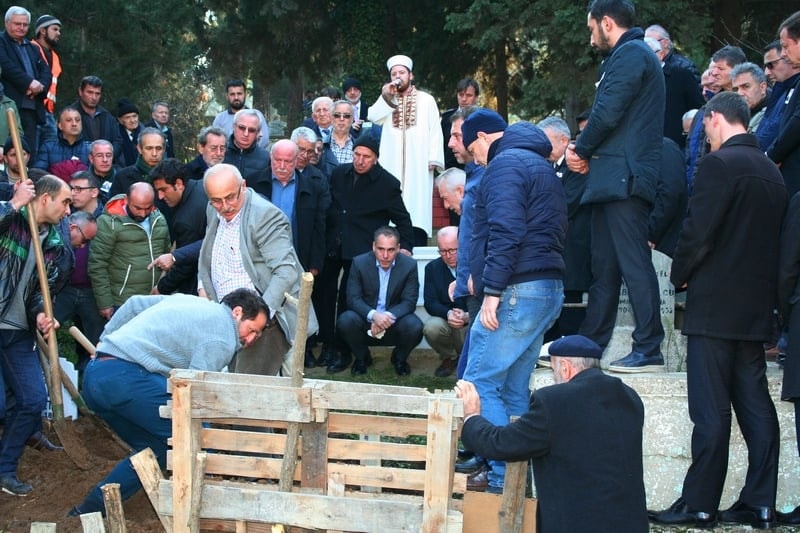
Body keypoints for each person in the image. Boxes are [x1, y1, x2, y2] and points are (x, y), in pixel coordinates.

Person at [650, 91, 786, 530]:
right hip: (754, 308)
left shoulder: (719, 164)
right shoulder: (771, 171)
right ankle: (759, 503)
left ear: (714, 119)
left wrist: (680, 274)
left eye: (705, 127)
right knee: (754, 404)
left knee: (709, 408)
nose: (704, 135)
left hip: (714, 304)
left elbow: (698, 229)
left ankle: (700, 504)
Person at [66, 288, 270, 516]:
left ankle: (88, 511)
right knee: (196, 435)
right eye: (251, 329)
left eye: (257, 335)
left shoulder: (189, 302)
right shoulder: (223, 336)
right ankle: (223, 508)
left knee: (157, 449)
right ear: (237, 312)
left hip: (97, 377)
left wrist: (104, 342)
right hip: (126, 380)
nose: (250, 339)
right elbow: (194, 395)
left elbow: (134, 304)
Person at [461, 109, 567, 493]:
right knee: (513, 389)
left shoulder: (504, 165)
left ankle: (503, 479)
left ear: (487, 137)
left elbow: (506, 232)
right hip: (547, 287)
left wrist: (492, 293)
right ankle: (517, 480)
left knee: (477, 383)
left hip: (517, 289)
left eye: (472, 148)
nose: (474, 158)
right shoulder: (542, 166)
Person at [456, 335, 648, 532]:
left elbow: (501, 444)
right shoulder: (629, 397)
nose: (555, 376)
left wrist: (472, 415)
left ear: (565, 367)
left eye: (554, 370)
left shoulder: (553, 401)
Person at [566, 0, 666, 372]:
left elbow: (607, 112)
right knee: (604, 267)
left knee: (633, 263)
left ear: (606, 23)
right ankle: (592, 343)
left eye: (592, 29)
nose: (592, 39)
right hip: (611, 180)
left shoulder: (631, 55)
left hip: (624, 180)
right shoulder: (629, 56)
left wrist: (581, 148)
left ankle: (649, 347)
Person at [198, 163, 316, 376]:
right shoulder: (212, 209)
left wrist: (261, 318)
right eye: (217, 200)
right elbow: (211, 251)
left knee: (247, 385)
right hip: (225, 313)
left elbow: (286, 272)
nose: (225, 206)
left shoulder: (265, 216)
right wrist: (202, 285)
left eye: (231, 197)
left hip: (266, 317)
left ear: (243, 186)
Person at [0, 174, 72, 496]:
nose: (69, 209)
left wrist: (42, 314)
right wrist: (13, 204)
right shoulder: (12, 220)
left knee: (31, 399)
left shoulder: (54, 244)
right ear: (45, 199)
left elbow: (39, 292)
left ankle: (4, 470)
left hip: (16, 332)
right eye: (65, 201)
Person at [320, 135, 414, 373]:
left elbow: (403, 219)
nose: (360, 161)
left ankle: (344, 352)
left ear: (375, 159)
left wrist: (405, 248)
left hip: (363, 252)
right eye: (357, 155)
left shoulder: (387, 183)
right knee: (324, 296)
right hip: (334, 245)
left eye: (366, 157)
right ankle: (328, 345)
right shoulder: (339, 174)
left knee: (347, 302)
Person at [368, 54, 444, 239]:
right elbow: (372, 117)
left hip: (419, 164)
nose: (398, 76)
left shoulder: (427, 100)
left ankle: (416, 237)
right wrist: (386, 97)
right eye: (394, 73)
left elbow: (435, 129)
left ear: (411, 75)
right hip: (390, 162)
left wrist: (434, 157)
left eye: (402, 72)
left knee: (417, 207)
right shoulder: (388, 99)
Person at [337, 226, 423, 376]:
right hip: (366, 319)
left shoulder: (409, 265)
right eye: (380, 249)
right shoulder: (359, 263)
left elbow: (409, 301)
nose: (385, 255)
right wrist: (374, 315)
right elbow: (353, 298)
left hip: (394, 320)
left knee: (415, 325)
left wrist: (386, 317)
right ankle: (362, 357)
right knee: (346, 320)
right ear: (373, 246)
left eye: (390, 250)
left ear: (398, 248)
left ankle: (399, 358)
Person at [537, 116, 591, 345]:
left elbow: (567, 203)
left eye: (546, 140)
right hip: (553, 255)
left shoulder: (576, 165)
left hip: (573, 252)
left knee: (571, 315)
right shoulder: (547, 165)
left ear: (563, 140)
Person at [88, 182, 170, 320]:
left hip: (155, 297)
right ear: (126, 200)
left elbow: (167, 251)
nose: (143, 213)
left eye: (148, 208)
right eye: (137, 208)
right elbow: (97, 264)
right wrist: (105, 303)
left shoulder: (159, 218)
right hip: (123, 301)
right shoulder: (109, 223)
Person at [148, 159, 207, 295]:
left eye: (163, 190)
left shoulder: (186, 220)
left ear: (179, 184)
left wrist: (162, 288)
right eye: (157, 191)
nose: (160, 196)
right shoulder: (200, 186)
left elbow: (185, 265)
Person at [645, 24, 704, 149]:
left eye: (649, 52)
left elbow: (697, 108)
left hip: (675, 142)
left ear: (661, 53)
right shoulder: (638, 77)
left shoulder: (683, 71)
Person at [423, 226, 467, 378]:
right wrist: (448, 313)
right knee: (431, 327)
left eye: (453, 250)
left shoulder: (474, 266)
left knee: (465, 327)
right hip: (446, 318)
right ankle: (450, 357)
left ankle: (468, 359)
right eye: (443, 251)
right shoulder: (432, 268)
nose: (448, 256)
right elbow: (430, 302)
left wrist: (466, 316)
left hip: (471, 318)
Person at [759, 40, 800, 153]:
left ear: (787, 57)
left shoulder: (792, 91)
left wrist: (773, 155)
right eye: (765, 66)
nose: (767, 72)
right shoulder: (780, 91)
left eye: (771, 65)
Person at [70, 75, 122, 160]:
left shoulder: (107, 116)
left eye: (97, 93)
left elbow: (117, 141)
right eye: (90, 92)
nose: (94, 97)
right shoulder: (70, 115)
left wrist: (107, 156)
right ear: (80, 91)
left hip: (106, 165)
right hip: (79, 165)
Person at [221, 108, 270, 197]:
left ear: (258, 132)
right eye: (242, 128)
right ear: (233, 127)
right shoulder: (220, 152)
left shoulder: (267, 158)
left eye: (251, 130)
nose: (246, 134)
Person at [30, 14, 61, 149]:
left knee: (51, 151)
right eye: (55, 29)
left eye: (59, 30)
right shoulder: (29, 49)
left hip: (48, 111)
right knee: (33, 151)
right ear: (43, 31)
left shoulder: (55, 56)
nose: (58, 33)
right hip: (33, 108)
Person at [108, 127, 165, 197]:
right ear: (139, 149)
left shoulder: (172, 175)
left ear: (164, 150)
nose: (154, 154)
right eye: (149, 148)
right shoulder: (122, 177)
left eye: (158, 148)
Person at [212, 79, 269, 149]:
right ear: (227, 96)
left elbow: (265, 139)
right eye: (232, 94)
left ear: (245, 94)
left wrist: (249, 153)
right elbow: (214, 140)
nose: (236, 97)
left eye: (239, 94)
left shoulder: (257, 115)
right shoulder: (220, 118)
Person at [32, 106, 90, 171]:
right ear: (60, 125)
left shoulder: (90, 149)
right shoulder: (48, 147)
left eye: (77, 120)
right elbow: (37, 172)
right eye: (69, 120)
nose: (74, 124)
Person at [441, 79, 480, 169]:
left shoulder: (482, 118)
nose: (464, 99)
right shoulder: (447, 118)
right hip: (450, 168)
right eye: (461, 95)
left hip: (475, 167)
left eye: (469, 95)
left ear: (476, 97)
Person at [731, 62, 769, 137]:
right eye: (735, 89)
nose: (739, 93)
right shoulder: (732, 115)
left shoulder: (775, 112)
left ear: (762, 87)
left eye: (746, 86)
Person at [115, 98, 141, 168]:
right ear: (120, 120)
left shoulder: (146, 134)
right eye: (128, 117)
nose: (132, 120)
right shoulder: (115, 136)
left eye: (134, 116)